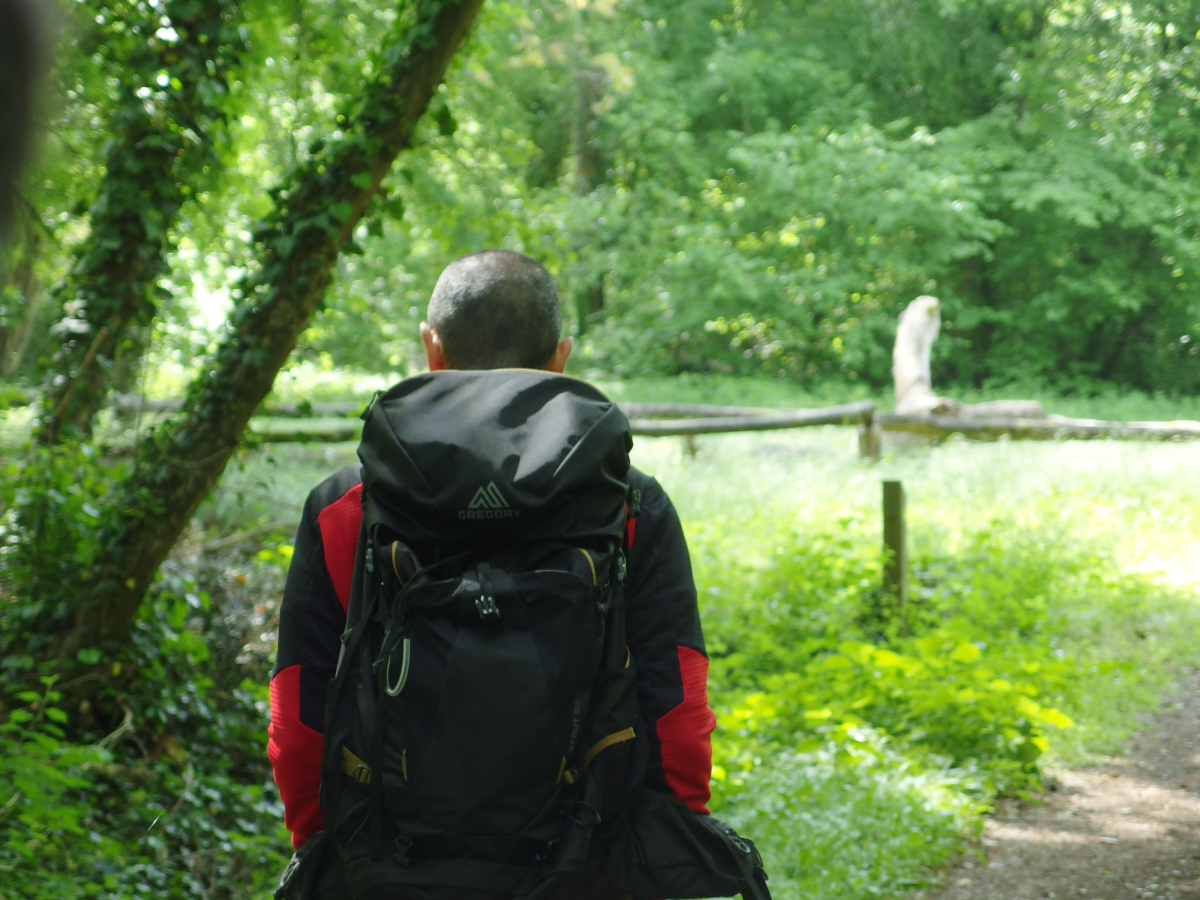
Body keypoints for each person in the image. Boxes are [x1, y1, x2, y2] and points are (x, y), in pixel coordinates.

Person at [268, 250, 717, 897]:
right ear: (560, 358)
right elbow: (678, 708)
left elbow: (298, 714)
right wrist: (669, 852)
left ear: (432, 349)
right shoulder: (630, 506)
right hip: (588, 865)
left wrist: (323, 851)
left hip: (384, 866)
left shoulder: (348, 507)